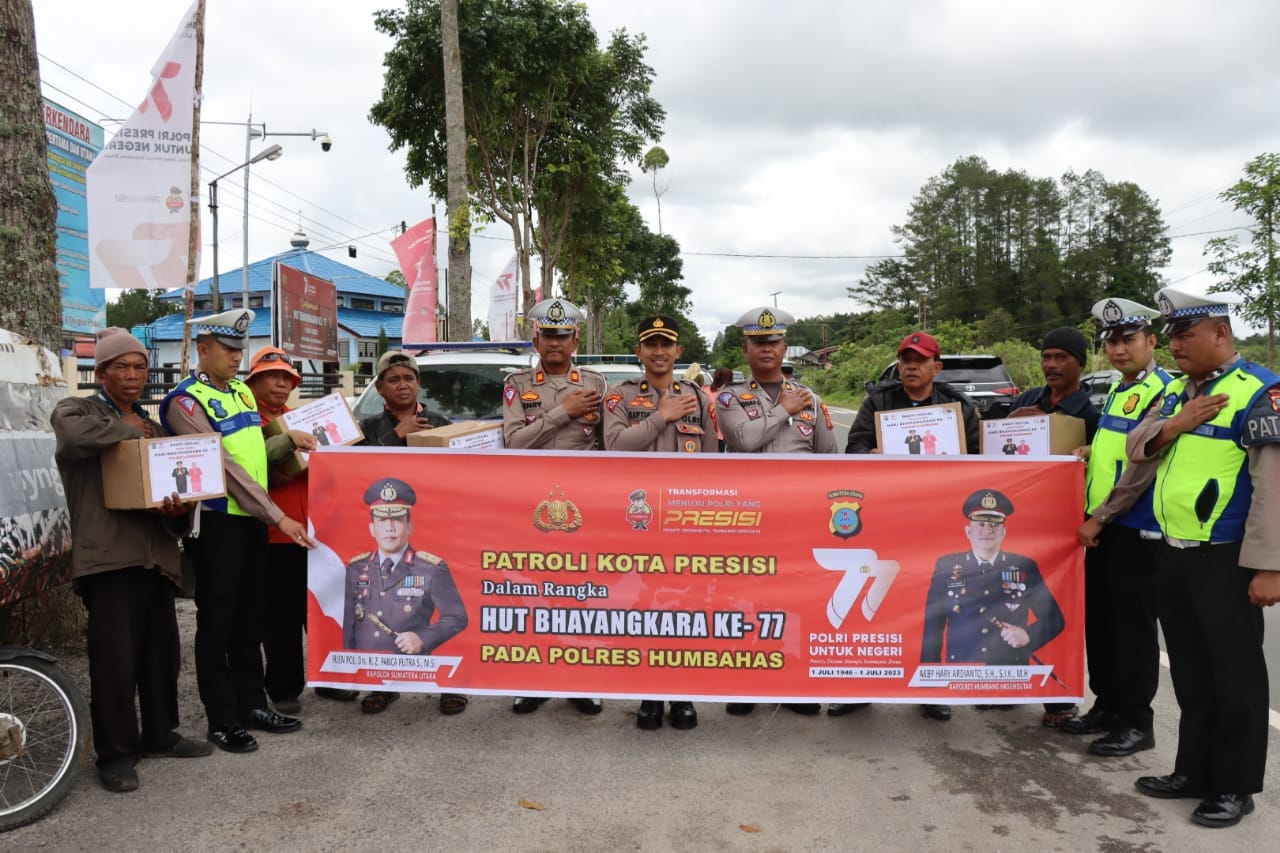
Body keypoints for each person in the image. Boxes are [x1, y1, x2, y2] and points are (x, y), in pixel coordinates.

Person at [1124, 287, 1280, 828]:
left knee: (1235, 676)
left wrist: (1270, 565)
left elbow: (1273, 488)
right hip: (1173, 553)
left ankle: (1235, 786)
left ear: (1220, 333)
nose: (1173, 345)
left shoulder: (1260, 392)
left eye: (1183, 334)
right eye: (1170, 336)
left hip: (1226, 559)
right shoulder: (1180, 394)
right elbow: (1138, 446)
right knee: (1191, 672)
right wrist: (1177, 423)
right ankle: (1192, 770)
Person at [51, 327, 212, 793]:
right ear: (100, 372)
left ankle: (160, 734)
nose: (133, 375)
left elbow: (174, 499)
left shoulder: (155, 428)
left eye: (140, 366)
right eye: (121, 366)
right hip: (108, 561)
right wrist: (127, 429)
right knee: (114, 663)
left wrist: (180, 511)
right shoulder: (78, 409)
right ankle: (116, 755)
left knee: (161, 655)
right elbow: (72, 436)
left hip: (155, 559)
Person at [161, 309, 315, 754]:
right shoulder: (185, 402)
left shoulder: (241, 396)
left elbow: (257, 455)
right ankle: (222, 718)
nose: (235, 357)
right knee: (218, 624)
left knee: (251, 620)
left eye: (238, 349)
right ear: (202, 349)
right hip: (218, 522)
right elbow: (224, 469)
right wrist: (277, 515)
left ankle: (252, 704)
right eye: (228, 349)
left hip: (251, 523)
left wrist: (291, 443)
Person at [842, 330, 982, 722]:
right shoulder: (879, 401)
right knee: (874, 603)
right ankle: (859, 688)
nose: (911, 367)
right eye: (905, 360)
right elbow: (853, 446)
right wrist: (868, 454)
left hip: (937, 523)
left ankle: (932, 687)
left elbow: (980, 459)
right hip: (887, 519)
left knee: (935, 605)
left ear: (936, 367)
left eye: (920, 360)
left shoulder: (958, 407)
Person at [715, 305, 836, 718]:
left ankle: (794, 684)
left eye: (774, 342)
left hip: (796, 520)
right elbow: (745, 441)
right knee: (748, 599)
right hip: (747, 518)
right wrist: (784, 408)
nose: (767, 349)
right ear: (746, 349)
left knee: (795, 599)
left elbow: (828, 458)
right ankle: (746, 683)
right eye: (758, 343)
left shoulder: (812, 399)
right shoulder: (730, 397)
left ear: (785, 347)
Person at [1068, 299, 1173, 757]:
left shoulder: (1166, 391)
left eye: (1128, 340)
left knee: (1131, 628)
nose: (1118, 349)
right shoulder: (1118, 389)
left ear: (1152, 341)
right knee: (1102, 623)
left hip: (1134, 526)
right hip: (1105, 527)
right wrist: (1090, 451)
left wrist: (1100, 517)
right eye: (1111, 341)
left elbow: (1141, 470)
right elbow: (1115, 449)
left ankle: (1135, 721)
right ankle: (1106, 705)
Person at [603, 315, 716, 730]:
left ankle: (682, 693)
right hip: (638, 519)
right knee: (645, 605)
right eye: (650, 344)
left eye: (666, 344)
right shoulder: (620, 397)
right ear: (639, 352)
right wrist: (660, 417)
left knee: (684, 606)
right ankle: (649, 694)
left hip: (685, 521)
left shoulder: (699, 399)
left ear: (678, 352)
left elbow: (709, 462)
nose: (659, 352)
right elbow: (614, 447)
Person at [502, 298, 606, 716]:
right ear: (536, 338)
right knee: (536, 592)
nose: (556, 342)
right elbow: (514, 442)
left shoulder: (597, 384)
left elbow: (608, 445)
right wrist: (563, 412)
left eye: (563, 335)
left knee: (583, 593)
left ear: (575, 338)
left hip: (584, 505)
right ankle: (534, 679)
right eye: (549, 335)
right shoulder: (517, 383)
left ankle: (582, 680)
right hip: (532, 504)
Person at [354, 350, 467, 716]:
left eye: (409, 378)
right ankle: (385, 685)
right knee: (385, 608)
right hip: (389, 532)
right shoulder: (366, 427)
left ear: (419, 384)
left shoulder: (440, 421)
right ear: (379, 387)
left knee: (441, 606)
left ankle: (450, 686)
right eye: (394, 379)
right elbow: (350, 471)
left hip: (435, 525)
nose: (403, 385)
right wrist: (396, 435)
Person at [246, 347, 357, 712]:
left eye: (287, 378)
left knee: (325, 609)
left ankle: (330, 679)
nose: (281, 383)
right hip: (276, 532)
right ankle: (284, 688)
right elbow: (253, 467)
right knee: (282, 616)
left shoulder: (302, 418)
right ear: (253, 382)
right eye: (272, 376)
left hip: (319, 532)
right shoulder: (245, 425)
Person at [1004, 326, 1099, 728]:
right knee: (1008, 607)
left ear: (1080, 362)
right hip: (1023, 522)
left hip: (1065, 529)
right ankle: (1004, 686)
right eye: (1046, 357)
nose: (1052, 365)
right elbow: (994, 443)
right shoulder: (1028, 399)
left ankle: (1058, 700)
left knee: (1056, 611)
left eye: (1061, 357)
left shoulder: (1092, 413)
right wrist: (1012, 421)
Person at [343, 478, 468, 712]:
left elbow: (456, 617)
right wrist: (352, 672)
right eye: (381, 520)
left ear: (409, 525)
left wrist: (422, 638)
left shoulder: (430, 568)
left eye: (397, 519)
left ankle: (449, 688)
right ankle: (380, 689)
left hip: (415, 659)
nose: (389, 528)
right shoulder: (356, 568)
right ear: (371, 528)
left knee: (444, 670)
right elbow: (350, 624)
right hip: (373, 663)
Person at [921, 489, 1067, 678]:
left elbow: (1055, 619)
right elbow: (933, 626)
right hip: (962, 673)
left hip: (1008, 674)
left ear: (1003, 532)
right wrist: (929, 685)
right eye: (980, 524)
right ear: (968, 531)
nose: (987, 530)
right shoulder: (947, 566)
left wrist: (1028, 635)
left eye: (994, 525)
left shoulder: (1023, 567)